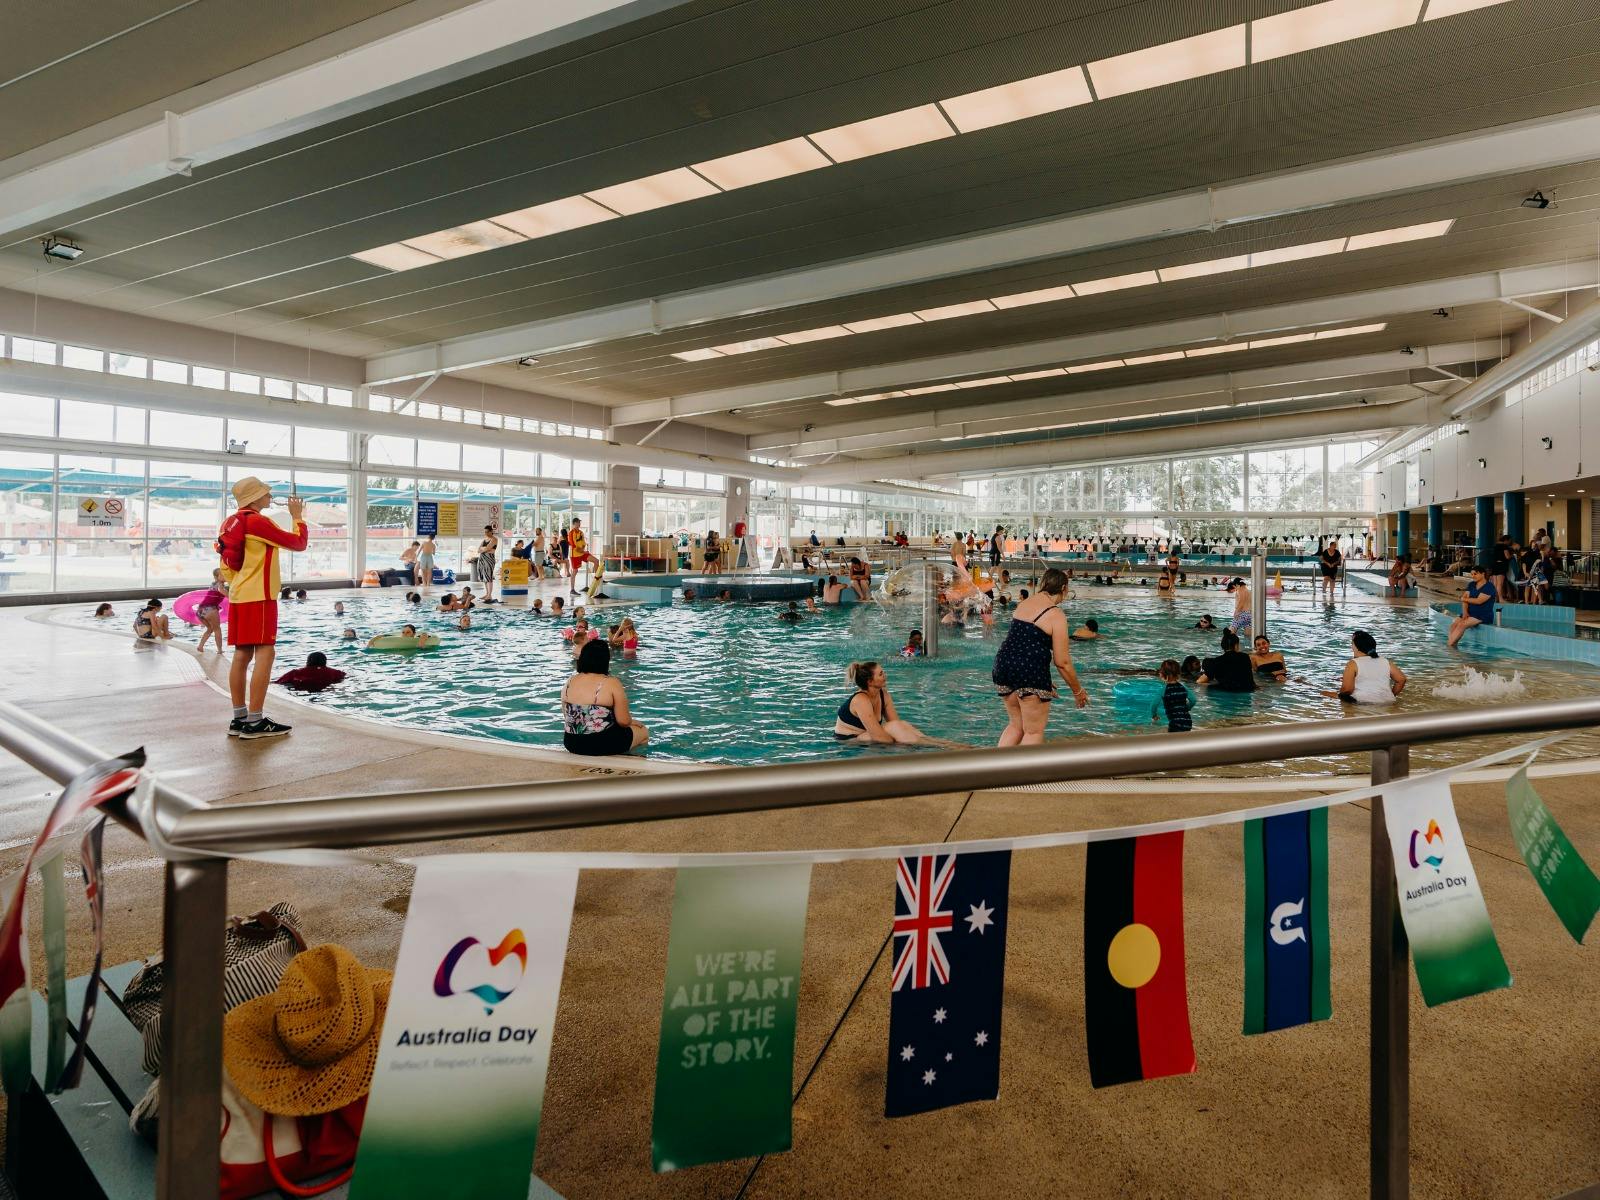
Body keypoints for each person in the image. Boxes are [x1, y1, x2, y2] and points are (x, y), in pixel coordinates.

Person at [216, 476, 307, 739]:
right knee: (266, 652)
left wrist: (241, 581)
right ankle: (255, 721)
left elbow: (226, 567)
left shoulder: (230, 522)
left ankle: (239, 718)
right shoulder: (258, 522)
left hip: (239, 595)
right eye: (266, 493)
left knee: (241, 655)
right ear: (255, 498)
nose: (269, 497)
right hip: (260, 597)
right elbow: (298, 542)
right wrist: (297, 516)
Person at [992, 568, 1089, 746]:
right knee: (1033, 731)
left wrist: (1040, 677)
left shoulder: (1025, 603)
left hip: (1003, 665)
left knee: (1016, 726)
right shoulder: (1056, 614)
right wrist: (1078, 691)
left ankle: (997, 765)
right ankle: (1026, 767)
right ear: (1064, 588)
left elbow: (1023, 641)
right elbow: (1062, 662)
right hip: (1028, 670)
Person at [562, 639, 648, 756]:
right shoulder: (611, 682)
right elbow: (623, 721)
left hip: (571, 743)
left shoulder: (570, 681)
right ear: (605, 660)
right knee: (643, 732)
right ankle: (630, 760)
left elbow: (567, 715)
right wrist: (632, 722)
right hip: (602, 744)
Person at [833, 661, 937, 745]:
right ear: (870, 682)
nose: (885, 676)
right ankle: (930, 747)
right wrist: (898, 743)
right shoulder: (860, 700)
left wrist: (902, 737)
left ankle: (937, 743)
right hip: (849, 742)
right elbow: (880, 738)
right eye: (881, 674)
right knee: (893, 729)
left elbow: (897, 724)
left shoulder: (883, 694)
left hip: (866, 736)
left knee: (903, 724)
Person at [1337, 630, 1406, 703]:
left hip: (1363, 703)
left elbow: (1347, 690)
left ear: (1356, 647)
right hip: (1388, 702)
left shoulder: (1353, 663)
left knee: (1328, 694)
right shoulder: (1385, 661)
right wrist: (1390, 696)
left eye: (1352, 643)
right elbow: (1401, 680)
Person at [1447, 565, 1498, 647]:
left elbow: (1479, 601)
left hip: (1482, 614)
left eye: (1475, 574)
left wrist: (1464, 599)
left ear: (1483, 574)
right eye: (1472, 574)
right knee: (1454, 624)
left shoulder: (1489, 587)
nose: (1473, 576)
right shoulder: (1472, 584)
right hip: (1469, 612)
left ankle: (1449, 646)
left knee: (1462, 625)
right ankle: (1452, 644)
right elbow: (1465, 599)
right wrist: (1465, 612)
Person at [1150, 659, 1193, 733]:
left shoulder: (1163, 690)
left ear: (1163, 674)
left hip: (1175, 723)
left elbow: (1153, 705)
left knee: (1172, 738)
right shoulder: (1183, 687)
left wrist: (1154, 715)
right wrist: (1187, 708)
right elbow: (1193, 700)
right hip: (1188, 721)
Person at [274, 651, 346, 692]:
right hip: (325, 691)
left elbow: (278, 682)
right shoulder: (335, 672)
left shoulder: (296, 673)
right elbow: (343, 678)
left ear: (308, 661)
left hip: (301, 691)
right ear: (325, 661)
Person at [196, 569, 227, 652]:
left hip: (200, 610)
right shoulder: (220, 584)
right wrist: (232, 597)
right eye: (222, 574)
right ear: (216, 577)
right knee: (217, 629)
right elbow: (221, 590)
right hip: (210, 609)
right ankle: (220, 650)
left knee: (210, 629)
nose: (225, 575)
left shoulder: (213, 584)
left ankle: (200, 646)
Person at [568, 517, 596, 594]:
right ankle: (572, 589)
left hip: (582, 553)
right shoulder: (571, 533)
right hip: (574, 555)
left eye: (579, 522)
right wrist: (583, 551)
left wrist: (583, 550)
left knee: (596, 561)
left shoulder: (581, 532)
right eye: (578, 522)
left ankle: (597, 579)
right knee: (575, 571)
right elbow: (575, 547)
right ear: (574, 524)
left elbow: (583, 543)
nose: (579, 524)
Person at [474, 524, 498, 602]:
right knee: (484, 577)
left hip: (489, 559)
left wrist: (484, 549)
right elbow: (478, 550)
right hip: (482, 559)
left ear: (491, 531)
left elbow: (488, 548)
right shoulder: (485, 540)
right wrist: (485, 549)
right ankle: (487, 594)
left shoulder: (494, 539)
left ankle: (489, 595)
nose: (486, 533)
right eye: (485, 532)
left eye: (487, 532)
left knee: (488, 577)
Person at [1319, 538, 1342, 603]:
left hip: (1333, 567)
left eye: (1335, 545)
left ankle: (1331, 592)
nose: (1335, 546)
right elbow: (1321, 558)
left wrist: (1333, 564)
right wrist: (1327, 563)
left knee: (1332, 579)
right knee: (1326, 578)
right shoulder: (1325, 551)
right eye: (1334, 545)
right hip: (1325, 566)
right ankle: (1324, 590)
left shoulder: (1337, 552)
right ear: (1331, 546)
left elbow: (1339, 560)